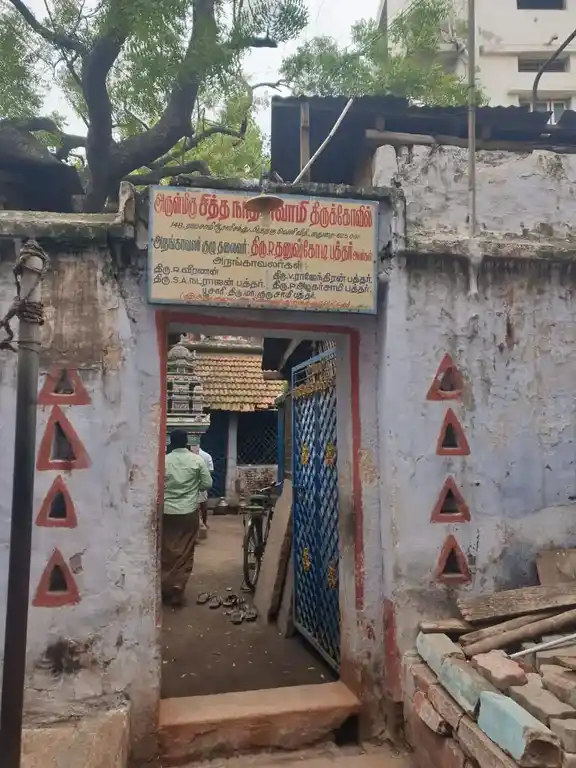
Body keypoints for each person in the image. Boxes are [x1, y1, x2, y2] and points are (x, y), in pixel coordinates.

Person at [162, 429, 212, 607]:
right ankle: (178, 584)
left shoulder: (164, 461)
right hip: (188, 512)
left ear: (170, 442)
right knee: (186, 549)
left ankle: (165, 584)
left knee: (167, 548)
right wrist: (191, 487)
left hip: (166, 512)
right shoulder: (197, 460)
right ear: (186, 442)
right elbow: (207, 484)